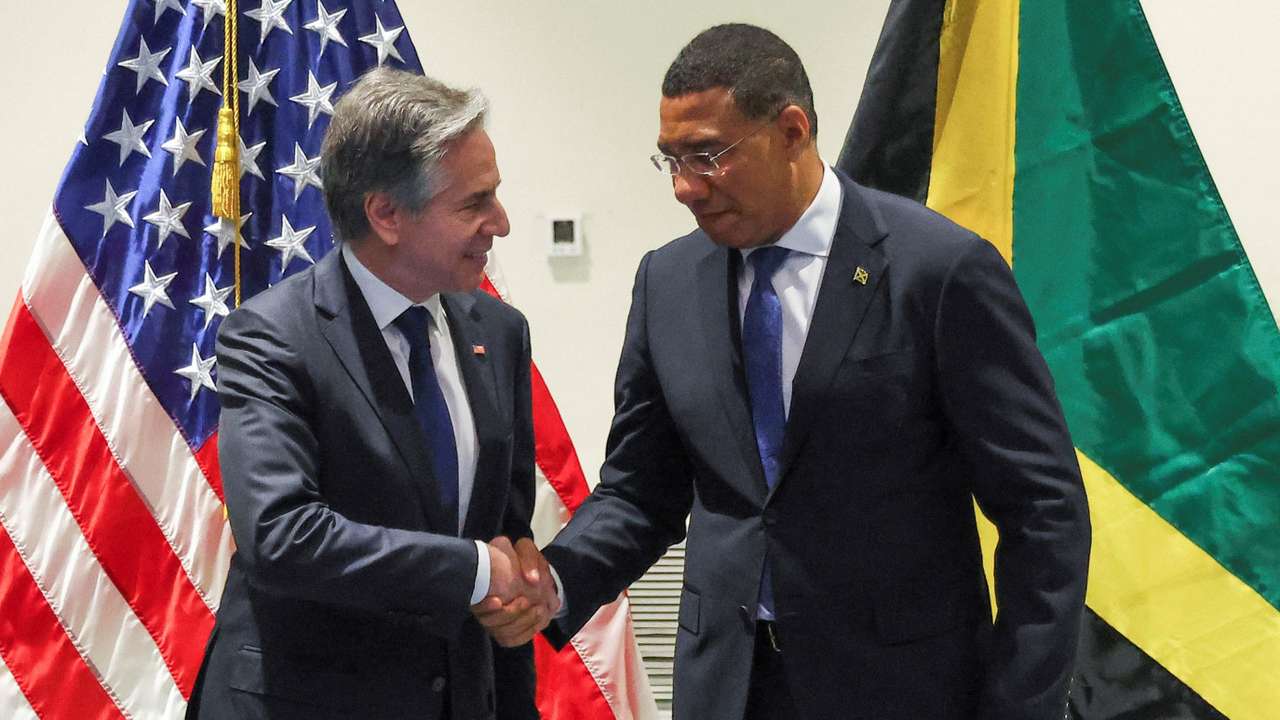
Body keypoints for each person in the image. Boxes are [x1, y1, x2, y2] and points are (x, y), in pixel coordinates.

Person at [540, 23, 1091, 720]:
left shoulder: (938, 271)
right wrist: (551, 582)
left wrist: (1020, 704)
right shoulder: (667, 282)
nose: (684, 187)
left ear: (791, 131)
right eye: (671, 160)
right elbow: (640, 491)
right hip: (728, 690)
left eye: (707, 156)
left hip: (901, 691)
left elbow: (1043, 511)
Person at [186, 67, 556, 720]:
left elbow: (504, 530)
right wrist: (473, 571)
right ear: (386, 214)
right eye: (474, 203)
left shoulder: (499, 332)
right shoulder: (273, 338)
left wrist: (517, 589)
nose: (499, 223)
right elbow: (281, 535)